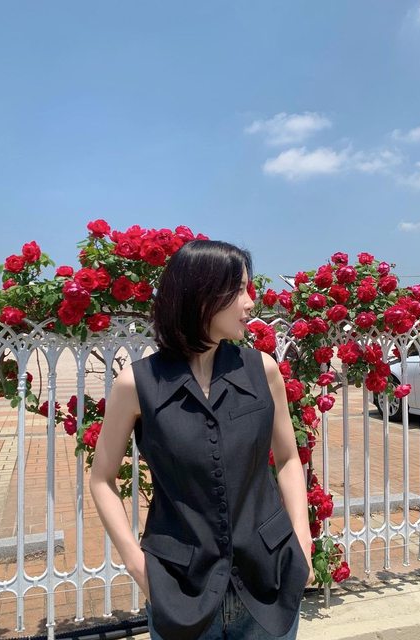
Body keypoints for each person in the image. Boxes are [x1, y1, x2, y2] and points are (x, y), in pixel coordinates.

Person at [89, 240, 314, 640]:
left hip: (269, 580)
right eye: (239, 290)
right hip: (180, 588)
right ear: (201, 295)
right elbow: (101, 479)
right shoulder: (137, 384)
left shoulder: (262, 370)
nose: (250, 304)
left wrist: (303, 541)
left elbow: (287, 459)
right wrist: (137, 566)